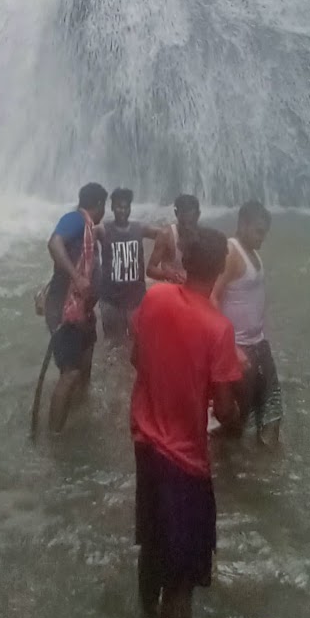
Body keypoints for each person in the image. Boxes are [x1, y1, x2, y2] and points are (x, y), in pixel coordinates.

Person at [131, 227, 242, 618]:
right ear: (219, 268)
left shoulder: (155, 297)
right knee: (182, 578)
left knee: (152, 542)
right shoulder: (219, 329)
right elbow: (225, 410)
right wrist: (236, 418)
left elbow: (136, 356)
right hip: (186, 462)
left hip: (145, 444)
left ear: (186, 262)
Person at [212, 200, 283, 448]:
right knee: (239, 419)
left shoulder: (253, 252)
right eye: (258, 232)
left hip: (258, 343)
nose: (262, 238)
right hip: (239, 348)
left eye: (265, 233)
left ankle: (258, 463)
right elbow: (212, 298)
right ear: (243, 224)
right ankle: (231, 464)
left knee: (271, 411)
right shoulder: (231, 252)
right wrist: (230, 347)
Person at [45, 183, 107, 432]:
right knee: (70, 373)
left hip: (84, 311)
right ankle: (55, 435)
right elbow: (54, 243)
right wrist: (77, 276)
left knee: (85, 363)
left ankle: (80, 417)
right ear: (99, 204)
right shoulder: (75, 220)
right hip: (66, 311)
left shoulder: (88, 228)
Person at [99, 189, 161, 346]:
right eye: (119, 207)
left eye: (126, 207)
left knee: (137, 340)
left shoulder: (139, 228)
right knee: (112, 343)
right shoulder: (103, 229)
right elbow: (83, 239)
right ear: (112, 207)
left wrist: (163, 261)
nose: (123, 211)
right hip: (110, 299)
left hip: (135, 298)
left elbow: (165, 235)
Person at [146, 193, 200, 282]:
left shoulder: (204, 236)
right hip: (172, 286)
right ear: (176, 213)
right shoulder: (166, 235)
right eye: (183, 223)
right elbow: (150, 269)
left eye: (191, 223)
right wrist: (169, 275)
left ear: (198, 215)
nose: (187, 227)